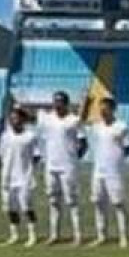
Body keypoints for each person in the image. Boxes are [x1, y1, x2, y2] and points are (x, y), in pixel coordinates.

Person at [36, 91, 85, 246]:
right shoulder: (47, 119)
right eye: (55, 101)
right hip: (51, 165)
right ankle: (54, 234)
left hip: (68, 166)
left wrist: (73, 158)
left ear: (66, 104)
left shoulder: (74, 120)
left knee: (72, 201)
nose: (57, 105)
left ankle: (78, 235)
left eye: (60, 102)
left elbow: (83, 143)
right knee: (53, 200)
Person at [86, 97, 129, 248]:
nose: (102, 111)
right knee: (98, 202)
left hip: (114, 172)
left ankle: (123, 237)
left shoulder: (121, 127)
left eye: (105, 108)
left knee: (118, 203)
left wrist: (117, 161)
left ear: (113, 109)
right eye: (101, 108)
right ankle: (101, 236)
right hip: (98, 170)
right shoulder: (97, 127)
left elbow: (128, 148)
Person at [0, 106, 41, 246]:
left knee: (27, 207)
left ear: (22, 120)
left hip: (24, 177)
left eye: (16, 118)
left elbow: (36, 155)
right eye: (11, 119)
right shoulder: (5, 136)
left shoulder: (30, 136)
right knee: (10, 208)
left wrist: (29, 169)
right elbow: (2, 155)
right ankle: (14, 235)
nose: (13, 121)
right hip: (8, 177)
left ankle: (32, 235)